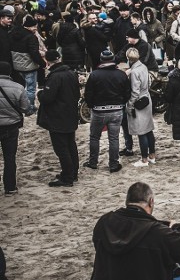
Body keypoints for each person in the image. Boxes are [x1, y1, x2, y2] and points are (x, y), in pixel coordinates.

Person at [36, 50, 80, 187]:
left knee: (61, 148)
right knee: (71, 145)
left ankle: (67, 177)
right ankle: (73, 173)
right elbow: (77, 94)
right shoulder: (71, 73)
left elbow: (47, 98)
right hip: (70, 115)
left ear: (48, 62)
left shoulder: (55, 77)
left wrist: (40, 94)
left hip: (58, 117)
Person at [84, 50, 130, 174]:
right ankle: (113, 164)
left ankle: (93, 162)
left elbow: (88, 94)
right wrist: (121, 103)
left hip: (98, 110)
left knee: (94, 137)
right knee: (114, 138)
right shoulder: (121, 74)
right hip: (116, 110)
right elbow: (127, 93)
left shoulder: (94, 75)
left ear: (101, 60)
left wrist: (91, 105)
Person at [126, 47, 156, 167]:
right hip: (147, 99)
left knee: (141, 131)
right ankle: (152, 155)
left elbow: (135, 92)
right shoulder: (143, 67)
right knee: (148, 129)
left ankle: (144, 159)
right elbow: (148, 83)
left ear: (129, 59)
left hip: (139, 102)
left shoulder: (134, 72)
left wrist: (129, 105)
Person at [0, 61, 27, 195]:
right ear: (10, 72)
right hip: (10, 126)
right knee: (10, 157)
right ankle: (10, 187)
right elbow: (24, 108)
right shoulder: (18, 88)